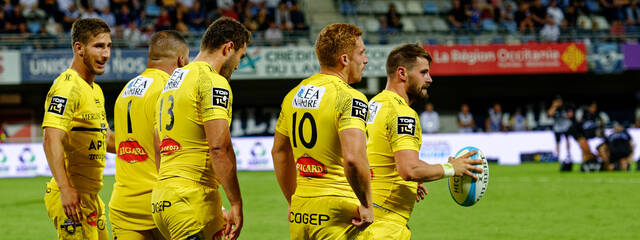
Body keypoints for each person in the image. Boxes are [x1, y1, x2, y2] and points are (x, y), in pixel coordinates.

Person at [365, 43, 483, 239]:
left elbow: (375, 155)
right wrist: (452, 168)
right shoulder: (403, 113)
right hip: (385, 224)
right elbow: (409, 170)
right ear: (402, 73)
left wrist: (409, 184)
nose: (430, 79)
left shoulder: (374, 104)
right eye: (423, 72)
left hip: (368, 212)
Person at [151, 17, 250, 240]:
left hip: (164, 198)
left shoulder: (172, 82)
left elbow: (158, 145)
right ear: (228, 48)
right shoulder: (212, 81)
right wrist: (236, 203)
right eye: (239, 58)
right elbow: (219, 148)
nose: (236, 66)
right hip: (191, 200)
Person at [271, 23, 374, 239]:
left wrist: (293, 201)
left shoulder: (293, 95)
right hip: (339, 212)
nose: (365, 60)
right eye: (362, 53)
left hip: (302, 210)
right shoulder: (350, 98)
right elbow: (354, 159)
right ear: (344, 59)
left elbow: (279, 152)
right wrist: (366, 204)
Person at [109, 30, 189, 240]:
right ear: (181, 61)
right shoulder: (170, 91)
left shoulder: (126, 89)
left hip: (123, 203)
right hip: (161, 202)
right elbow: (163, 144)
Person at [42, 18, 114, 240]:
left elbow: (106, 138)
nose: (106, 54)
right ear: (79, 48)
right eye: (99, 46)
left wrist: (142, 147)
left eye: (109, 46)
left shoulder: (95, 90)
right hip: (73, 195)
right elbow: (51, 138)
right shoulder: (67, 86)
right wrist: (65, 189)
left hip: (91, 198)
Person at [574, 102, 609, 172]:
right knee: (586, 154)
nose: (594, 109)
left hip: (597, 140)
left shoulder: (599, 116)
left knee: (604, 155)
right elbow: (578, 130)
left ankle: (606, 168)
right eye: (592, 107)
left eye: (595, 107)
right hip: (588, 140)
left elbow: (603, 130)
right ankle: (585, 167)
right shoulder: (584, 117)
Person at [548, 96, 574, 171]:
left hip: (566, 126)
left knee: (567, 140)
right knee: (558, 143)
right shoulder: (554, 108)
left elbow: (571, 114)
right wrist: (553, 106)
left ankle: (568, 154)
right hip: (557, 128)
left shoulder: (566, 107)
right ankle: (557, 156)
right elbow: (549, 114)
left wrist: (566, 115)